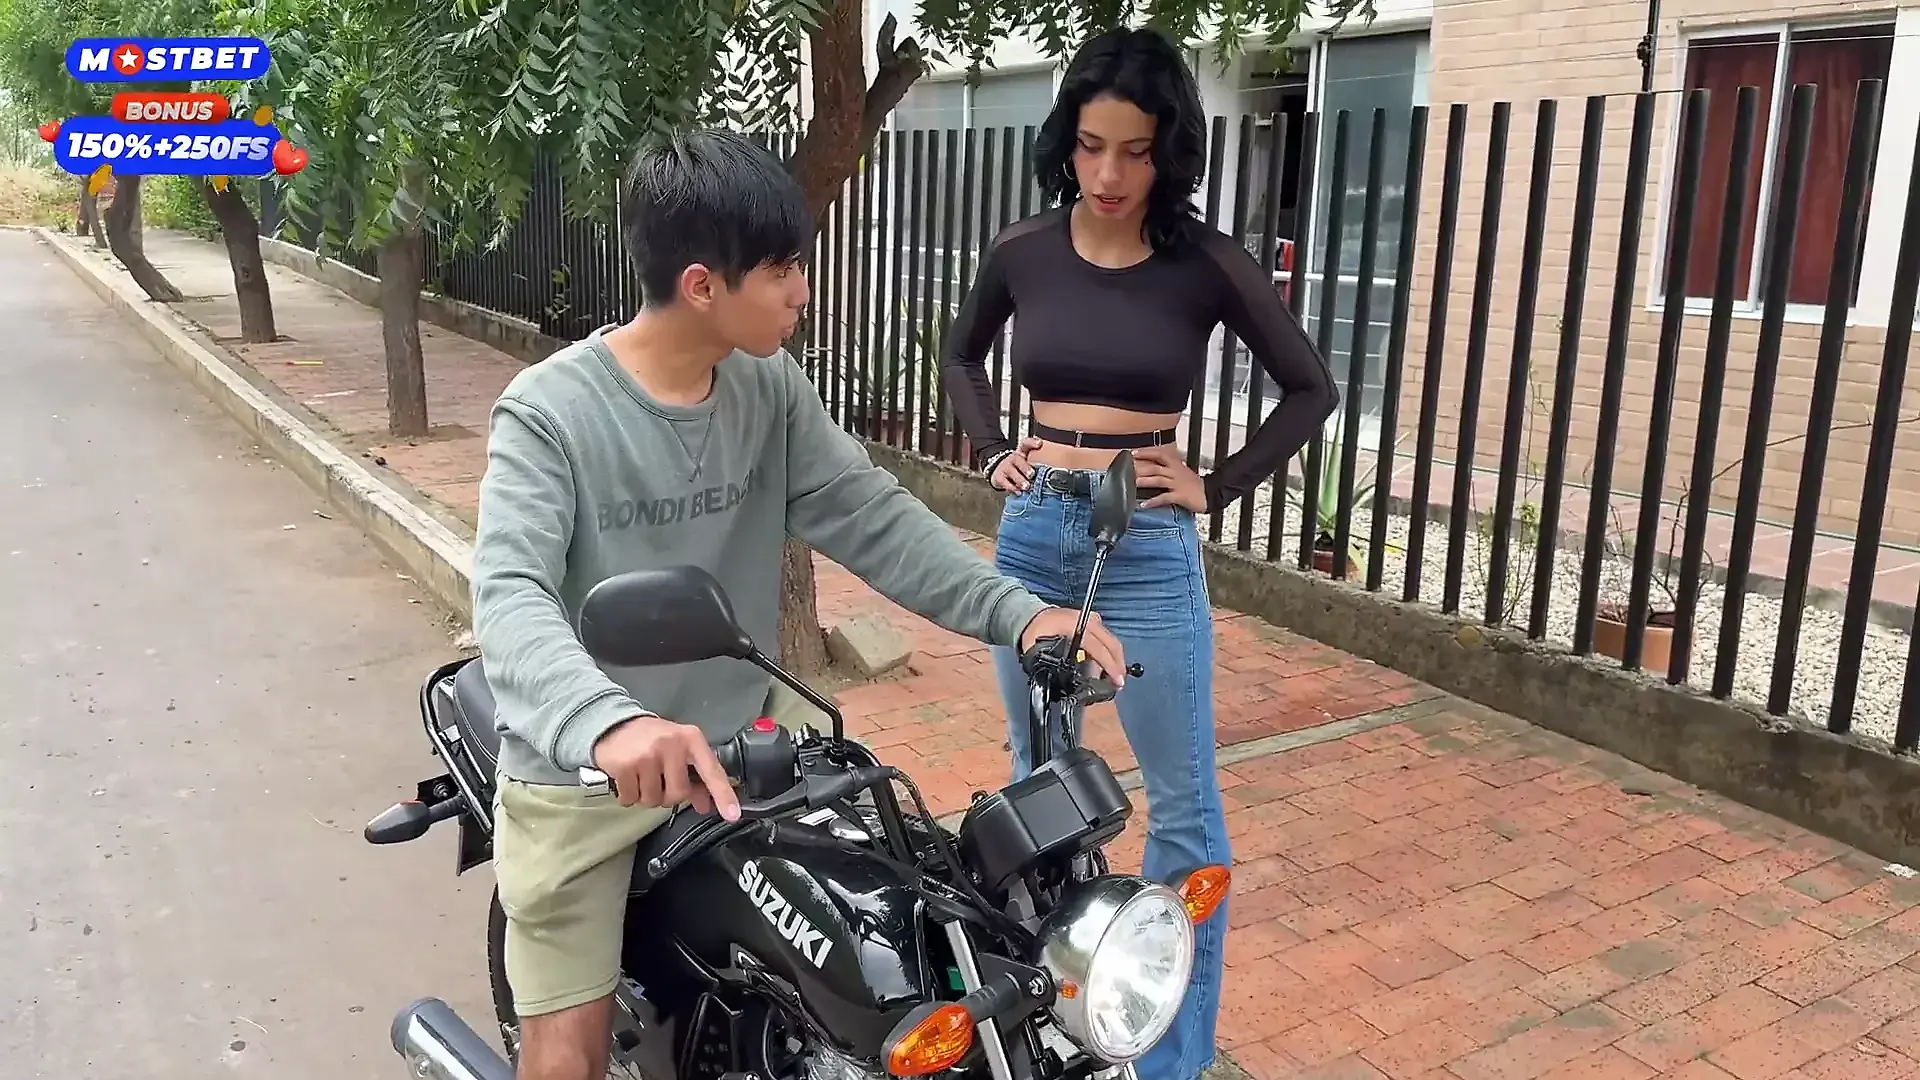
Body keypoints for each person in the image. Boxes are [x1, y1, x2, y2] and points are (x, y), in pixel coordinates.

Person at [471, 129, 1126, 1080]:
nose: (803, 291)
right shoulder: (549, 413)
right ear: (703, 286)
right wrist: (607, 722)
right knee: (565, 1060)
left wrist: (1016, 612)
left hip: (752, 753)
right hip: (594, 781)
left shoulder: (767, 387)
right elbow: (510, 596)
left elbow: (868, 512)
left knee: (911, 930)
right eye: (782, 271)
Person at [939, 26, 1338, 1080]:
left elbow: (1311, 388)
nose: (1110, 174)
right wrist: (990, 448)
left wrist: (1218, 484)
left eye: (1135, 150)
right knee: (1041, 798)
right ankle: (1058, 1037)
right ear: (1065, 142)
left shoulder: (1204, 263)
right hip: (1035, 538)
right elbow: (961, 355)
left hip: (1149, 545)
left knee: (1186, 815)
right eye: (1091, 145)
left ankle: (1171, 1062)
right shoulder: (1023, 250)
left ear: (1169, 153)